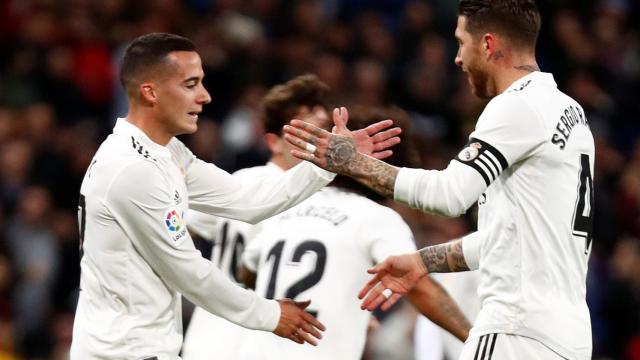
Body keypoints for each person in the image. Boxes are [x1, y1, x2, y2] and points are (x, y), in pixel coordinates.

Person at [283, 1, 594, 359]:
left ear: (489, 45)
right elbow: (508, 239)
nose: (458, 59)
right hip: (565, 336)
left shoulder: (515, 106)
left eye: (462, 43)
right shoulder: (569, 112)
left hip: (515, 328)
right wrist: (423, 260)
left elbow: (448, 195)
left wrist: (350, 163)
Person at [70, 33, 399, 360]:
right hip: (123, 352)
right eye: (190, 84)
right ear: (150, 91)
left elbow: (245, 200)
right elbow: (187, 270)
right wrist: (270, 315)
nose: (205, 96)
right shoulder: (132, 169)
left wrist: (326, 163)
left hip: (144, 347)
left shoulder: (164, 153)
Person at [181, 77, 470, 360]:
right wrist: (476, 339)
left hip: (230, 343)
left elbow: (246, 269)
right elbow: (418, 285)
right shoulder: (375, 218)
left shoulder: (278, 201)